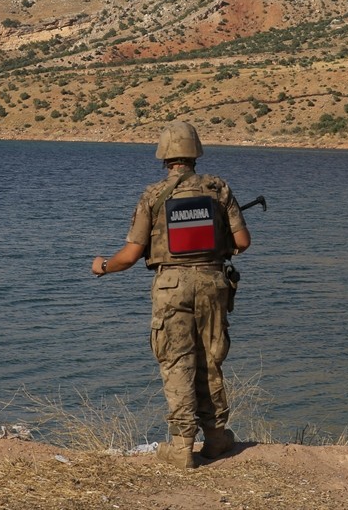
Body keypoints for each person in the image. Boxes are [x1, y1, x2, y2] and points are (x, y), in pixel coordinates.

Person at [92, 121, 251, 469]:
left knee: (177, 361)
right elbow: (242, 242)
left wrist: (102, 266)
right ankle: (216, 438)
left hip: (170, 287)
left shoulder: (153, 196)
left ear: (164, 156)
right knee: (210, 359)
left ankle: (181, 446)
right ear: (196, 153)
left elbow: (130, 256)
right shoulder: (218, 189)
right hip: (212, 284)